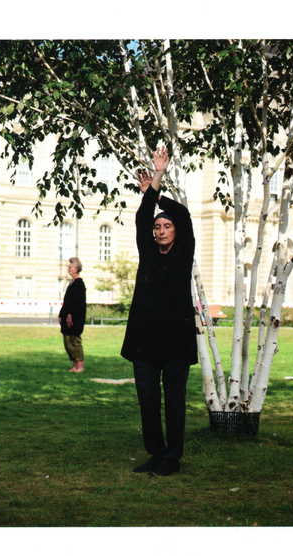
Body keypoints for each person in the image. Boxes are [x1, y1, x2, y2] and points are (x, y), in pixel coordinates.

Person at [121, 145, 197, 477]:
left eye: (166, 227)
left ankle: (172, 457)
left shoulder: (183, 252)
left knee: (175, 398)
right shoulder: (148, 252)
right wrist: (148, 194)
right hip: (145, 338)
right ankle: (155, 452)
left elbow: (182, 214)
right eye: (157, 228)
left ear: (176, 232)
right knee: (148, 399)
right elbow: (142, 217)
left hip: (177, 338)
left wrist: (159, 184)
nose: (161, 230)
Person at [59, 256, 87, 373]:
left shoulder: (79, 284)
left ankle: (80, 366)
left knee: (75, 340)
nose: (68, 269)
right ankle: (75, 365)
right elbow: (67, 301)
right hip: (67, 316)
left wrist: (71, 315)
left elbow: (77, 303)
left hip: (75, 317)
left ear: (76, 269)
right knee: (68, 341)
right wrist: (61, 314)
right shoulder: (72, 283)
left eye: (70, 267)